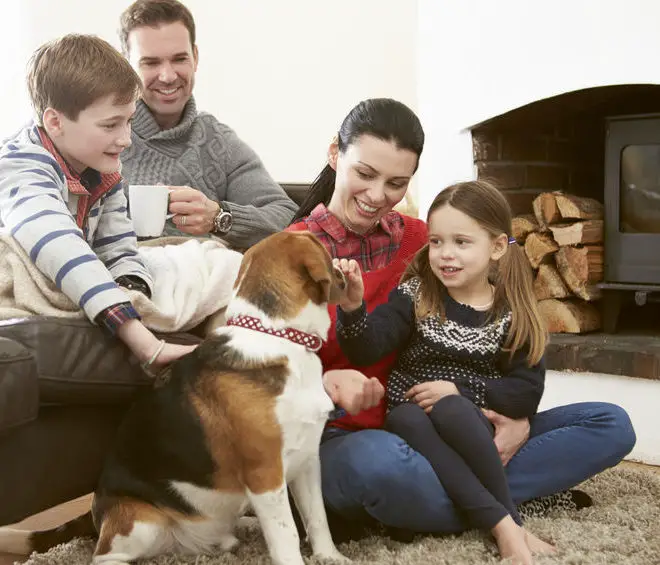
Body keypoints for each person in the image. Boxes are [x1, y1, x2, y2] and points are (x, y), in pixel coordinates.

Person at [287, 98, 637, 540]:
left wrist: (518, 419)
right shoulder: (286, 253)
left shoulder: (425, 240)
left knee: (610, 424)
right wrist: (324, 383)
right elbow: (253, 371)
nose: (378, 196)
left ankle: (449, 506)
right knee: (380, 467)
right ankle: (499, 507)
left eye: (396, 182)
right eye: (365, 173)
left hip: (459, 427)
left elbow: (519, 376)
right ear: (336, 153)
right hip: (356, 436)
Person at [334, 180, 557, 564]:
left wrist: (458, 390)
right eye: (436, 242)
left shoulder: (511, 312)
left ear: (498, 247)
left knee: (606, 422)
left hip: (470, 425)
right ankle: (509, 524)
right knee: (417, 423)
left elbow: (526, 393)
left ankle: (461, 502)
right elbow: (367, 347)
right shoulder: (417, 294)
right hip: (409, 414)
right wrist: (353, 309)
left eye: (461, 242)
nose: (445, 255)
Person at [0, 34, 195, 374]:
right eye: (110, 125)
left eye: (129, 121)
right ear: (55, 122)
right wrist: (143, 340)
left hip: (83, 267)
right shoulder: (21, 167)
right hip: (25, 265)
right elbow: (58, 244)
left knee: (207, 261)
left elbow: (119, 249)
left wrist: (133, 289)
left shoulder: (103, 173)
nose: (126, 139)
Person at [117, 0, 298, 249]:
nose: (168, 76)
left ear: (196, 57)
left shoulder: (219, 143)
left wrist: (220, 217)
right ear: (126, 64)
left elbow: (290, 218)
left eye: (179, 59)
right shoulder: (101, 135)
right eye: (151, 62)